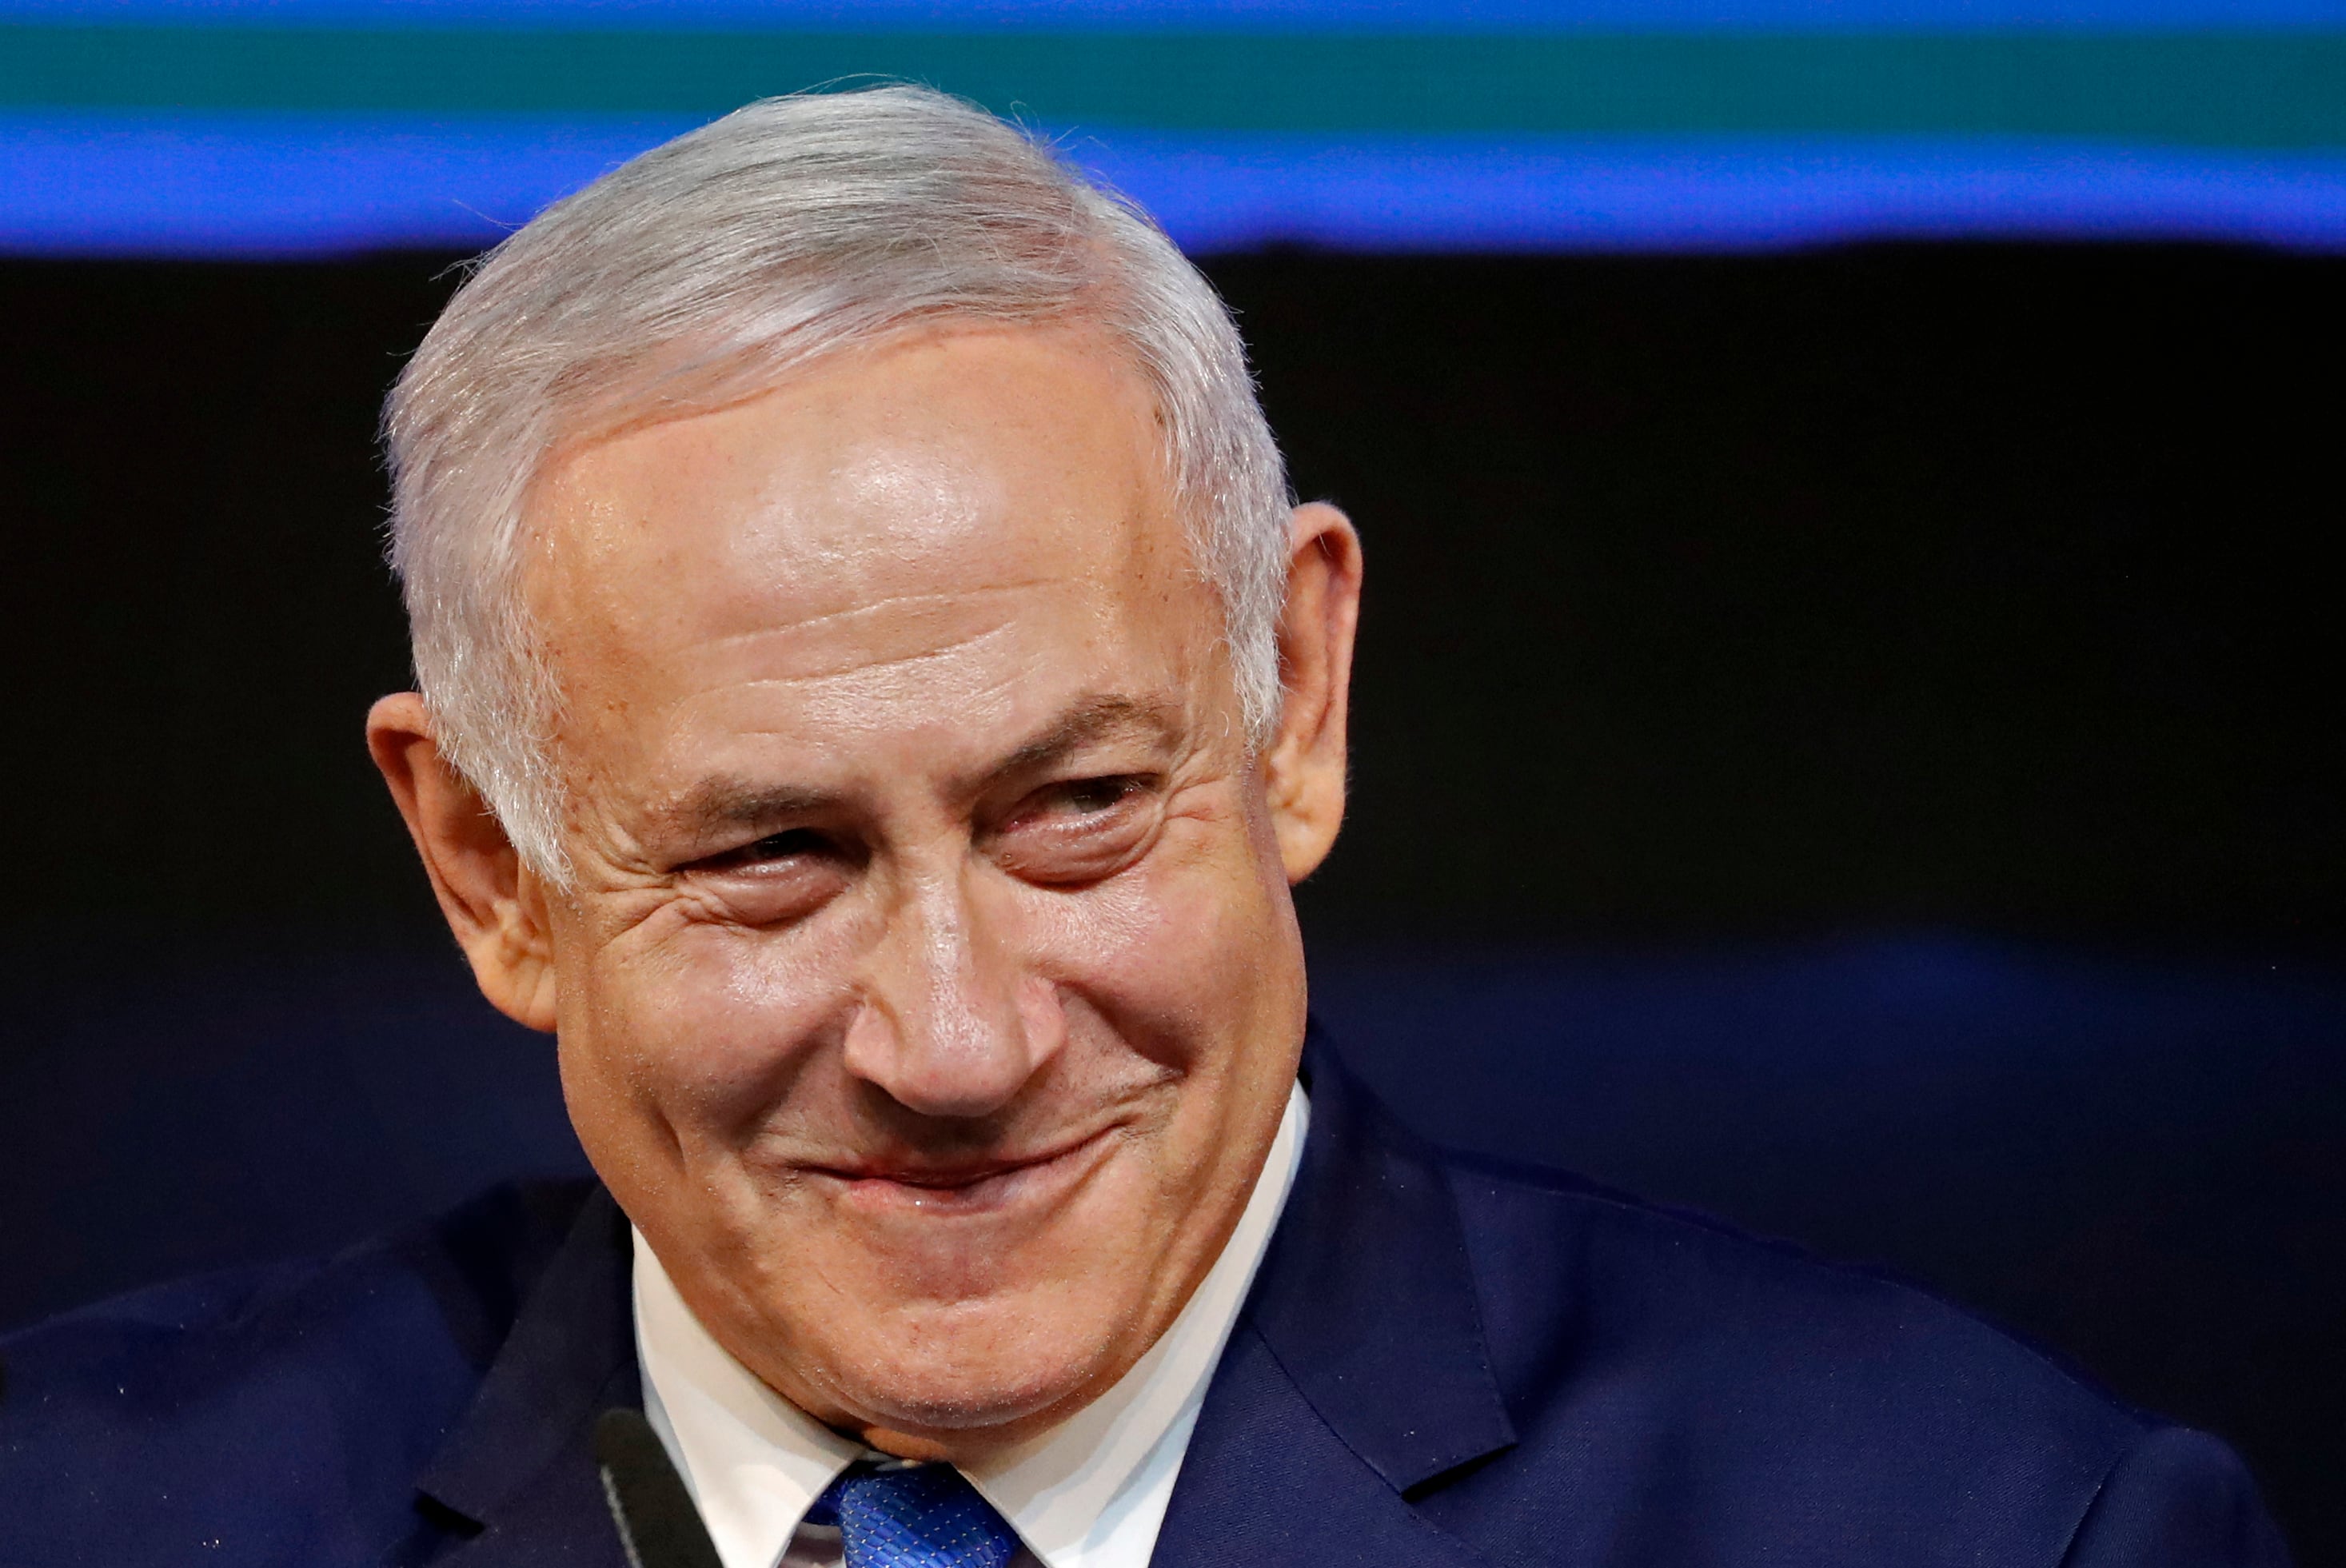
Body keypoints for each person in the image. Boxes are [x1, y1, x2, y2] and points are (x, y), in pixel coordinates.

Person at [0, 85, 2291, 1568]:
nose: (962, 1035)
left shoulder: (1982, 1526)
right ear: (490, 868)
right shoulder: (86, 1512)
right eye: (775, 856)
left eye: (1079, 805)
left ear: (1295, 701)